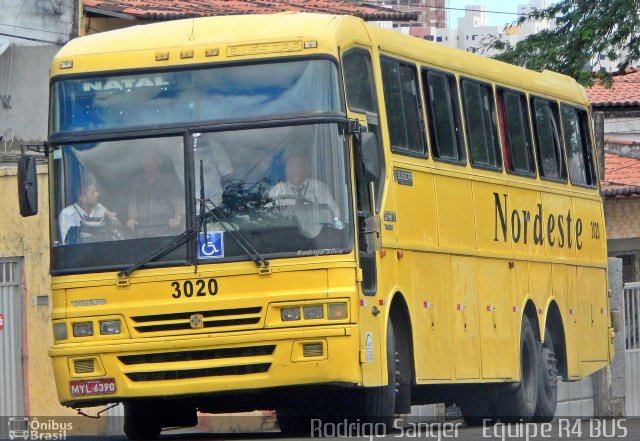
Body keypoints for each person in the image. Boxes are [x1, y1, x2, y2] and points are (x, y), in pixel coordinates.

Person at [269, 154, 342, 237]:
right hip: (286, 239)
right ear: (286, 171)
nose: (295, 170)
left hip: (315, 241)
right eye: (292, 167)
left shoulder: (318, 188)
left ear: (306, 169)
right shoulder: (279, 190)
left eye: (299, 166)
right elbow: (265, 215)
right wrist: (290, 209)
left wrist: (311, 210)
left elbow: (335, 215)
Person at [126, 150, 184, 235]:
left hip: (166, 230)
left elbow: (177, 203)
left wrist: (177, 219)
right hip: (143, 230)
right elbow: (133, 205)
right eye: (143, 158)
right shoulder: (136, 183)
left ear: (159, 162)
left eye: (150, 158)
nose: (146, 162)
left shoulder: (169, 180)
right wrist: (131, 219)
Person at [194, 138, 233, 206]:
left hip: (214, 205)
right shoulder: (174, 144)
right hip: (185, 208)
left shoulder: (212, 146)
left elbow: (227, 175)